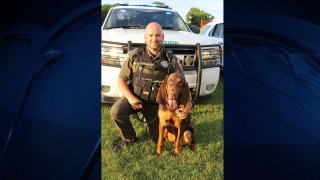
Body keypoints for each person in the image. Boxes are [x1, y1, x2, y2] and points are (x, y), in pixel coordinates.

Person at [110, 22, 186, 150]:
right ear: (145, 37)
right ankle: (129, 137)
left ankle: (150, 124)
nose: (154, 39)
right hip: (136, 98)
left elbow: (181, 84)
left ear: (163, 37)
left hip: (157, 105)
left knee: (157, 137)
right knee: (116, 111)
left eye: (157, 35)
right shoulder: (134, 55)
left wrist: (184, 105)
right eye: (150, 35)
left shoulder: (171, 60)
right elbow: (121, 79)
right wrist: (130, 98)